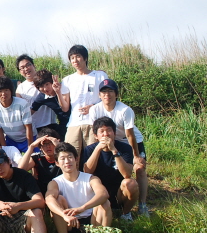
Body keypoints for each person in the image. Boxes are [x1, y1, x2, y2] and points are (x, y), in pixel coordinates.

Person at [90, 78, 149, 216]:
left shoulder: (125, 110)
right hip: (110, 140)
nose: (107, 95)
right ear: (99, 95)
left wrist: (136, 155)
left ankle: (142, 204)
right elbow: (94, 132)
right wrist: (95, 149)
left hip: (130, 141)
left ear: (116, 94)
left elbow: (130, 134)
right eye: (104, 92)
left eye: (110, 91)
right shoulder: (95, 109)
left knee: (139, 168)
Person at [45, 142, 112, 233]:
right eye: (63, 158)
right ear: (57, 163)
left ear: (76, 159)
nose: (67, 161)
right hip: (70, 223)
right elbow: (49, 199)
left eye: (70, 157)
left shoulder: (90, 178)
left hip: (92, 222)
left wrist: (82, 208)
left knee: (104, 203)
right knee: (58, 200)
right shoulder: (55, 182)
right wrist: (64, 215)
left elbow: (103, 194)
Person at [82, 117, 139, 221]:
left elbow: (127, 174)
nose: (106, 134)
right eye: (102, 131)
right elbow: (87, 172)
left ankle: (126, 214)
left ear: (114, 133)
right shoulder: (89, 149)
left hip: (119, 192)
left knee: (131, 183)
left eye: (109, 130)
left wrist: (114, 150)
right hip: (98, 192)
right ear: (96, 136)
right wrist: (98, 149)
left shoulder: (125, 148)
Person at [59, 45, 109, 159]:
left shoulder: (99, 75)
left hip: (94, 122)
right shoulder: (67, 80)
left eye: (78, 56)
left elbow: (108, 98)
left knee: (93, 156)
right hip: (74, 123)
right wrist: (58, 92)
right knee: (70, 155)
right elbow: (65, 108)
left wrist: (93, 107)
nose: (75, 60)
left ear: (85, 58)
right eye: (72, 58)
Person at [15, 55, 56, 140]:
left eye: (28, 65)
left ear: (34, 66)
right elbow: (20, 110)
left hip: (50, 124)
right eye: (22, 68)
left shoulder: (46, 81)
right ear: (19, 71)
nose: (26, 69)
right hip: (33, 128)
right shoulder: (20, 88)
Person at [0, 77, 33, 152]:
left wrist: (30, 147)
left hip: (28, 138)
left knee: (34, 157)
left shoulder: (22, 104)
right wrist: (5, 150)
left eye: (6, 90)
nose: (3, 94)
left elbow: (28, 127)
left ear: (11, 91)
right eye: (0, 91)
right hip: (11, 140)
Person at [17, 127, 62, 196]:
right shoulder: (37, 157)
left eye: (51, 143)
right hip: (42, 190)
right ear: (40, 147)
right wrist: (31, 147)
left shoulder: (63, 157)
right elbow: (20, 170)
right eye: (44, 144)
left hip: (61, 189)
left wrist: (59, 146)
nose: (48, 146)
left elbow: (73, 165)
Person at [31, 69, 70, 139]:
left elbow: (65, 109)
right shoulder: (42, 96)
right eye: (41, 86)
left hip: (76, 120)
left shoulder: (63, 88)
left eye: (47, 84)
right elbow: (31, 111)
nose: (45, 88)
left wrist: (58, 92)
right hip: (63, 124)